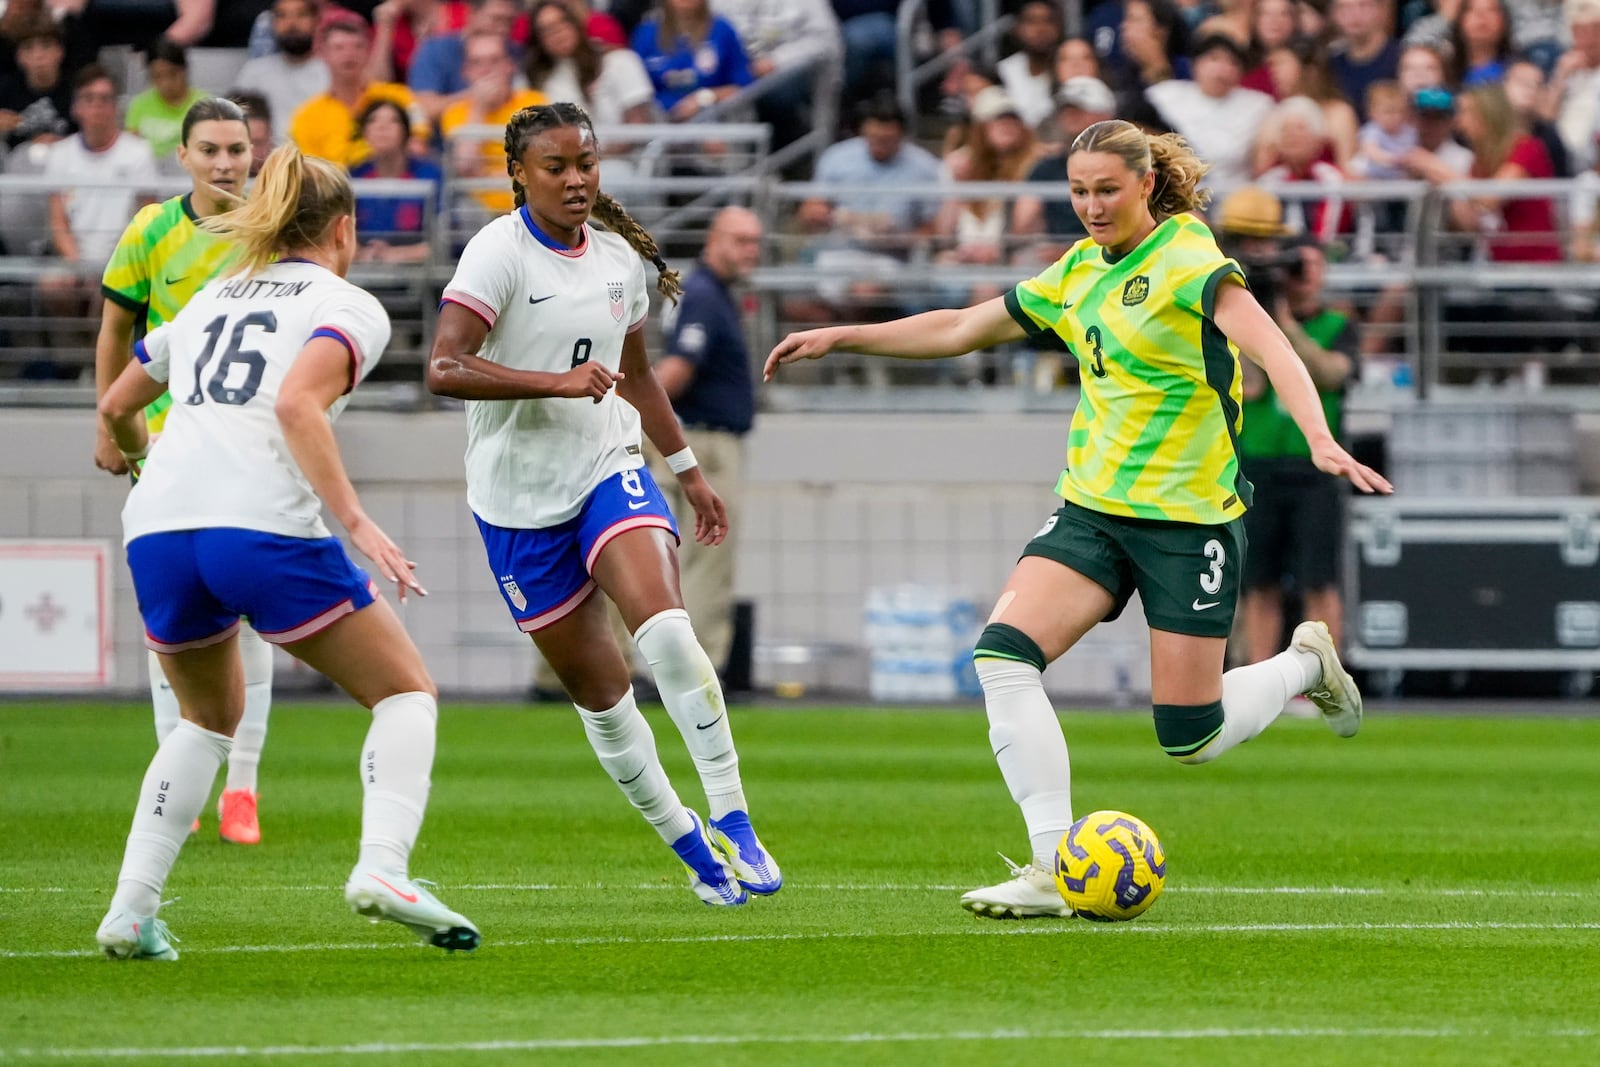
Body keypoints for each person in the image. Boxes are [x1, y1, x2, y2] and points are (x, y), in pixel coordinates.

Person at [765, 118, 1390, 919]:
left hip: (1187, 520)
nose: (1092, 206)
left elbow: (1274, 349)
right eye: (1079, 191)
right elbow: (962, 326)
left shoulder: (1189, 259)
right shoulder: (1077, 270)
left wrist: (1318, 435)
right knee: (1002, 656)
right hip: (1093, 510)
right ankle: (1051, 864)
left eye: (1106, 190)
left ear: (1145, 186)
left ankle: (1306, 663)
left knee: (1190, 735)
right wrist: (846, 336)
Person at [94, 139, 479, 961]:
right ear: (342, 229)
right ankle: (384, 867)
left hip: (160, 526)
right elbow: (300, 405)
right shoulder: (346, 302)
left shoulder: (208, 297)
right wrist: (358, 523)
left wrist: (138, 458)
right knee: (406, 692)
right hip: (258, 522)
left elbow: (118, 402)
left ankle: (131, 909)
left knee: (204, 721)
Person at [427, 101, 779, 907]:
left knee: (671, 636)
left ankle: (736, 816)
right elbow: (443, 368)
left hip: (606, 465)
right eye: (556, 167)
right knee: (605, 699)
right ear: (519, 173)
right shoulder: (497, 254)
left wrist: (689, 473)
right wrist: (552, 381)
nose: (576, 180)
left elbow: (639, 374)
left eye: (586, 163)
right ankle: (689, 843)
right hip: (516, 503)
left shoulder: (618, 260)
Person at [94, 98, 275, 846]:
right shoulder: (150, 230)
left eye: (237, 149)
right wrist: (110, 420)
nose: (226, 163)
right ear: (185, 156)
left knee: (251, 613)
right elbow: (114, 326)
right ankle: (184, 776)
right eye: (211, 150)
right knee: (168, 611)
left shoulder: (273, 226)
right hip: (166, 445)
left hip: (248, 441)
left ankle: (243, 787)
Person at [1215, 187, 1357, 665]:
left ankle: (1326, 680)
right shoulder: (1233, 315)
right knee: (1259, 583)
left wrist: (1283, 321)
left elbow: (1332, 373)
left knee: (1320, 581)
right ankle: (1259, 680)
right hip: (1256, 463)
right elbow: (1248, 384)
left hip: (1314, 467)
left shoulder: (1335, 324)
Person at [648, 206, 762, 675]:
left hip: (694, 437)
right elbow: (677, 369)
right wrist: (629, 413)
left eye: (755, 241)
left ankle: (671, 667)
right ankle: (694, 672)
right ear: (713, 240)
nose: (750, 251)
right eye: (740, 240)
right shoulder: (703, 295)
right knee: (706, 561)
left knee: (677, 559)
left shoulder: (705, 292)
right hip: (705, 443)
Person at [289, 11, 430, 168]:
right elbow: (311, 172)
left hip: (394, 185)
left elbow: (419, 146)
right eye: (339, 48)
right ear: (322, 53)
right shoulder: (307, 115)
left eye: (358, 46)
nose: (349, 54)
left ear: (368, 50)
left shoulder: (400, 97)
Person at [349, 98, 441, 262]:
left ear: (406, 131)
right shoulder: (353, 176)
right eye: (373, 121)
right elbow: (340, 240)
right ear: (364, 132)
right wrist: (361, 254)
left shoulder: (431, 175)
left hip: (421, 275)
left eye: (393, 121)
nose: (382, 127)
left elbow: (444, 241)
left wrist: (397, 255)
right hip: (364, 272)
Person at [231, 0, 330, 145]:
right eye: (282, 16)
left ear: (316, 21)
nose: (292, 24)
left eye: (301, 15)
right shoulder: (255, 71)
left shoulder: (331, 73)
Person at [124, 38, 210, 166]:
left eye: (172, 74)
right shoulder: (139, 105)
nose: (166, 83)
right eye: (157, 76)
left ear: (184, 70)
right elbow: (131, 149)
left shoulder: (207, 106)